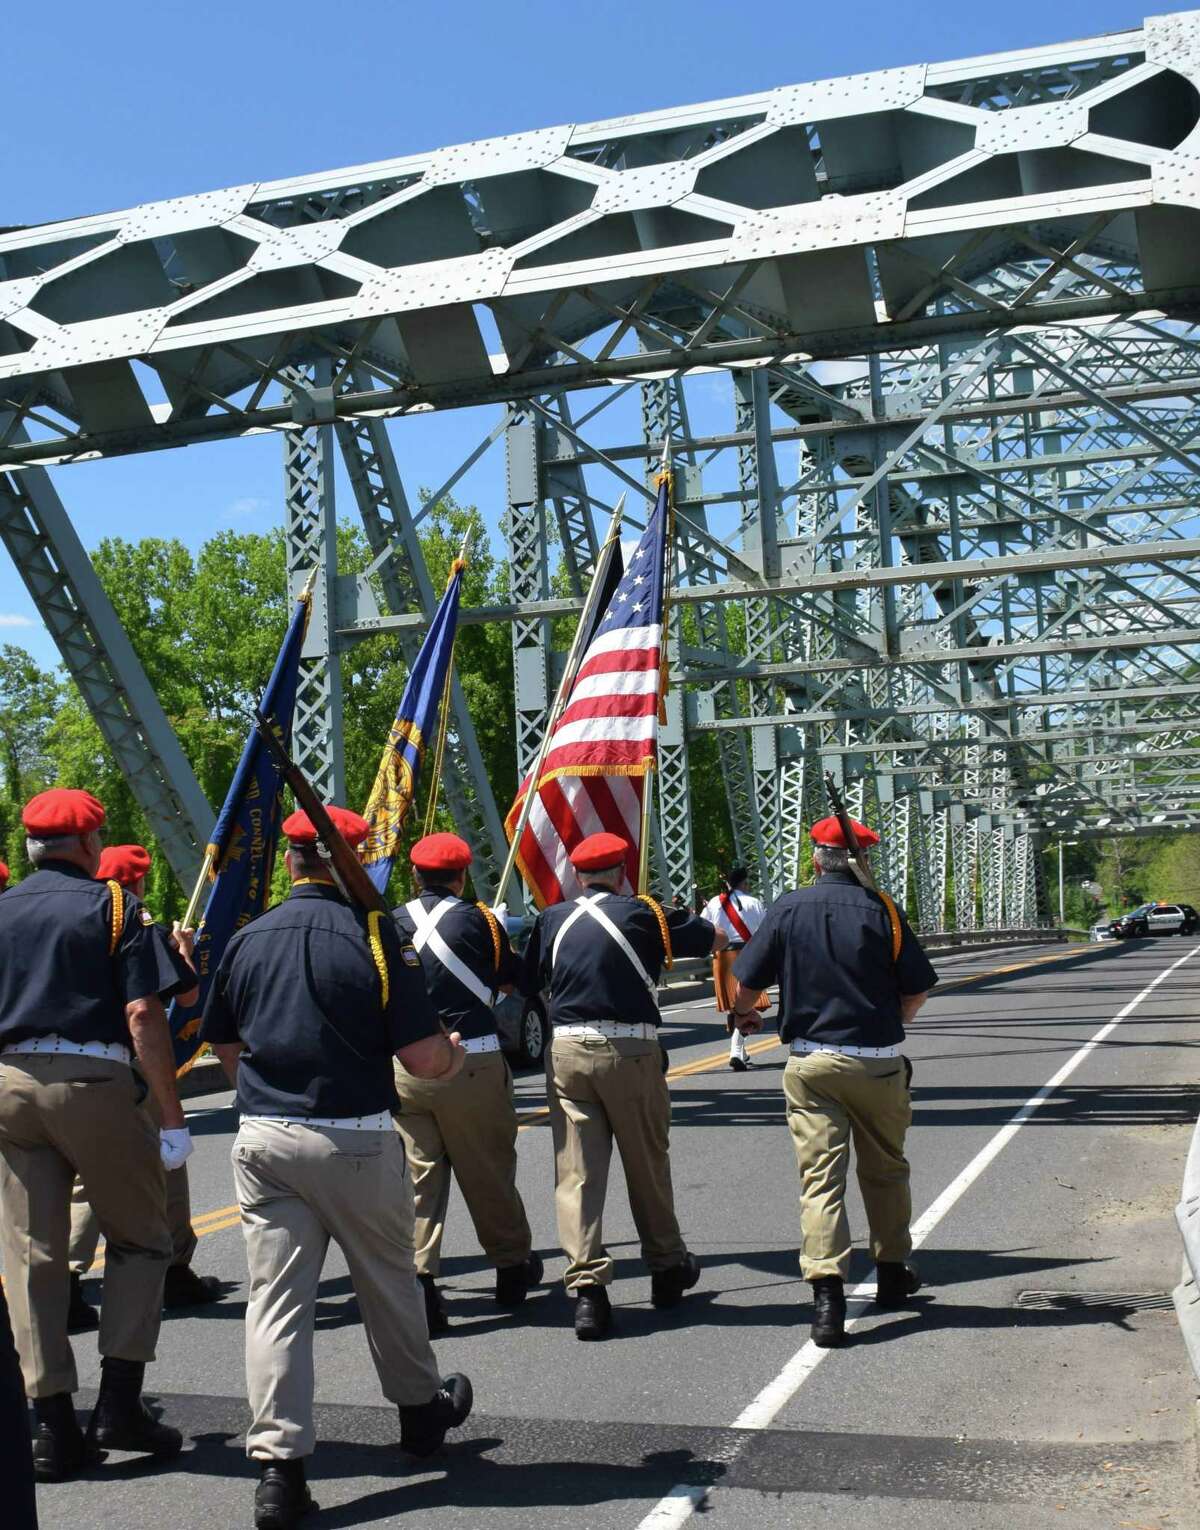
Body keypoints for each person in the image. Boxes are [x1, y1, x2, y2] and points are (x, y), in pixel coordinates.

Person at [201, 805, 474, 1530]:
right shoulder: (377, 938)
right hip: (353, 1137)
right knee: (387, 1282)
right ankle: (419, 1415)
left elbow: (224, 1044)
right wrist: (452, 1058)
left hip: (264, 1137)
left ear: (292, 859)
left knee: (276, 1304)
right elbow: (422, 1058)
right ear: (355, 860)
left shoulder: (249, 937)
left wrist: (263, 1097)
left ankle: (279, 1472)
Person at [0, 789, 194, 1481]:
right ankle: (119, 1406)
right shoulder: (114, 906)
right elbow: (143, 1014)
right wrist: (170, 1114)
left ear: (32, 846)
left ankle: (51, 1427)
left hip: (10, 1081)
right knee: (142, 1240)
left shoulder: (3, 907)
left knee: (32, 1257)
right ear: (89, 844)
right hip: (92, 1080)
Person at [730, 814, 937, 1348]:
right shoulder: (884, 910)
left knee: (821, 1179)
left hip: (813, 1063)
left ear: (815, 860)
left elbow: (746, 980)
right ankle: (892, 1272)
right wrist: (892, 1020)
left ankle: (827, 1297)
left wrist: (745, 1015)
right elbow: (917, 989)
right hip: (878, 1062)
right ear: (862, 860)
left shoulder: (788, 908)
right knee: (886, 1170)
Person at [522, 831, 726, 1340]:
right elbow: (715, 938)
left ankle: (588, 1292)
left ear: (578, 876)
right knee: (646, 1164)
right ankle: (666, 1266)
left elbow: (529, 978)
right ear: (621, 874)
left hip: (567, 1050)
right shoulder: (646, 914)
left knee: (577, 1173)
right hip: (631, 1049)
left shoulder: (552, 919)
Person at [67, 843, 222, 1330]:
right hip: (131, 1063)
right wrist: (183, 951)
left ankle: (68, 1279)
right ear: (135, 882)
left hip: (71, 1064)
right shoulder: (136, 922)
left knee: (83, 1179)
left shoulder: (69, 920)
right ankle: (174, 1271)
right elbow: (186, 995)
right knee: (166, 1167)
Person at [392, 831, 541, 1334]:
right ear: (461, 877)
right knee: (488, 1169)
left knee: (419, 1181)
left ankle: (422, 1283)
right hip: (471, 1061)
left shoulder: (391, 922)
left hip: (407, 1067)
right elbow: (515, 980)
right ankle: (511, 1265)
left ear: (416, 875)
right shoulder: (481, 921)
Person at [702, 867, 770, 1071]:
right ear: (745, 882)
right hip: (749, 955)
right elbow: (765, 931)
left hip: (723, 957)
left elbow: (705, 927)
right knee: (745, 1004)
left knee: (737, 1006)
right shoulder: (754, 902)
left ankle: (741, 1051)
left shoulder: (715, 902)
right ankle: (735, 1050)